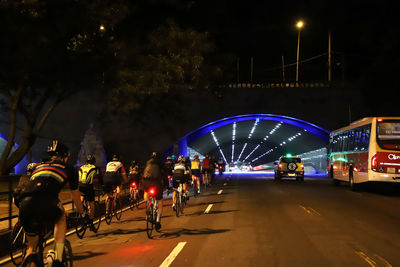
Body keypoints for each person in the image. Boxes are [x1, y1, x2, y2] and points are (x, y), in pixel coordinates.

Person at [18, 140, 85, 266]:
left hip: (25, 204)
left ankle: (31, 257)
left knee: (32, 249)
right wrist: (82, 212)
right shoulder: (69, 168)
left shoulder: (38, 166)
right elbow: (75, 195)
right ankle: (58, 256)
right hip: (48, 202)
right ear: (64, 156)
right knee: (61, 217)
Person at [141, 152, 164, 230]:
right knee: (159, 201)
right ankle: (157, 220)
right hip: (156, 182)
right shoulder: (160, 164)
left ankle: (147, 205)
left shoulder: (147, 163)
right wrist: (167, 186)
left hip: (146, 182)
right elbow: (163, 174)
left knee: (146, 192)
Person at [78, 154, 101, 224]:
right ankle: (91, 222)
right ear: (94, 161)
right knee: (92, 204)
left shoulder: (81, 167)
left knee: (82, 196)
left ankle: (81, 211)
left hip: (80, 185)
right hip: (88, 186)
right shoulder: (95, 168)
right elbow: (99, 178)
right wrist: (102, 185)